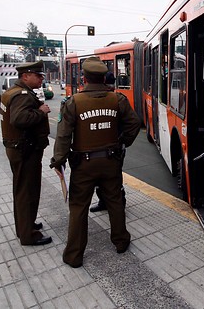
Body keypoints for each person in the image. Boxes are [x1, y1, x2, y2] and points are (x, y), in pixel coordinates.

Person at [51, 56, 141, 268]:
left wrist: (59, 160)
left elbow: (63, 136)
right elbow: (134, 124)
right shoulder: (117, 99)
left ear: (84, 77)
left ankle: (74, 255)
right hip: (111, 161)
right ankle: (120, 242)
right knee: (115, 202)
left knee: (78, 207)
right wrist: (122, 143)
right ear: (104, 77)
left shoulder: (73, 102)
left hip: (83, 165)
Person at [0, 60, 52, 246]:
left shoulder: (12, 92)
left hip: (18, 148)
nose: (40, 79)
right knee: (27, 191)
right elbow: (19, 119)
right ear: (25, 76)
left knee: (21, 190)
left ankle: (25, 225)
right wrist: (41, 111)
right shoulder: (22, 95)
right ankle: (28, 235)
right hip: (25, 150)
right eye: (37, 75)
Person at [89, 70, 119, 213]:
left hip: (112, 149)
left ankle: (117, 202)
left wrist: (121, 141)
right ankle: (103, 202)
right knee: (104, 180)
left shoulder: (116, 99)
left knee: (113, 181)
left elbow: (132, 124)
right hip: (109, 148)